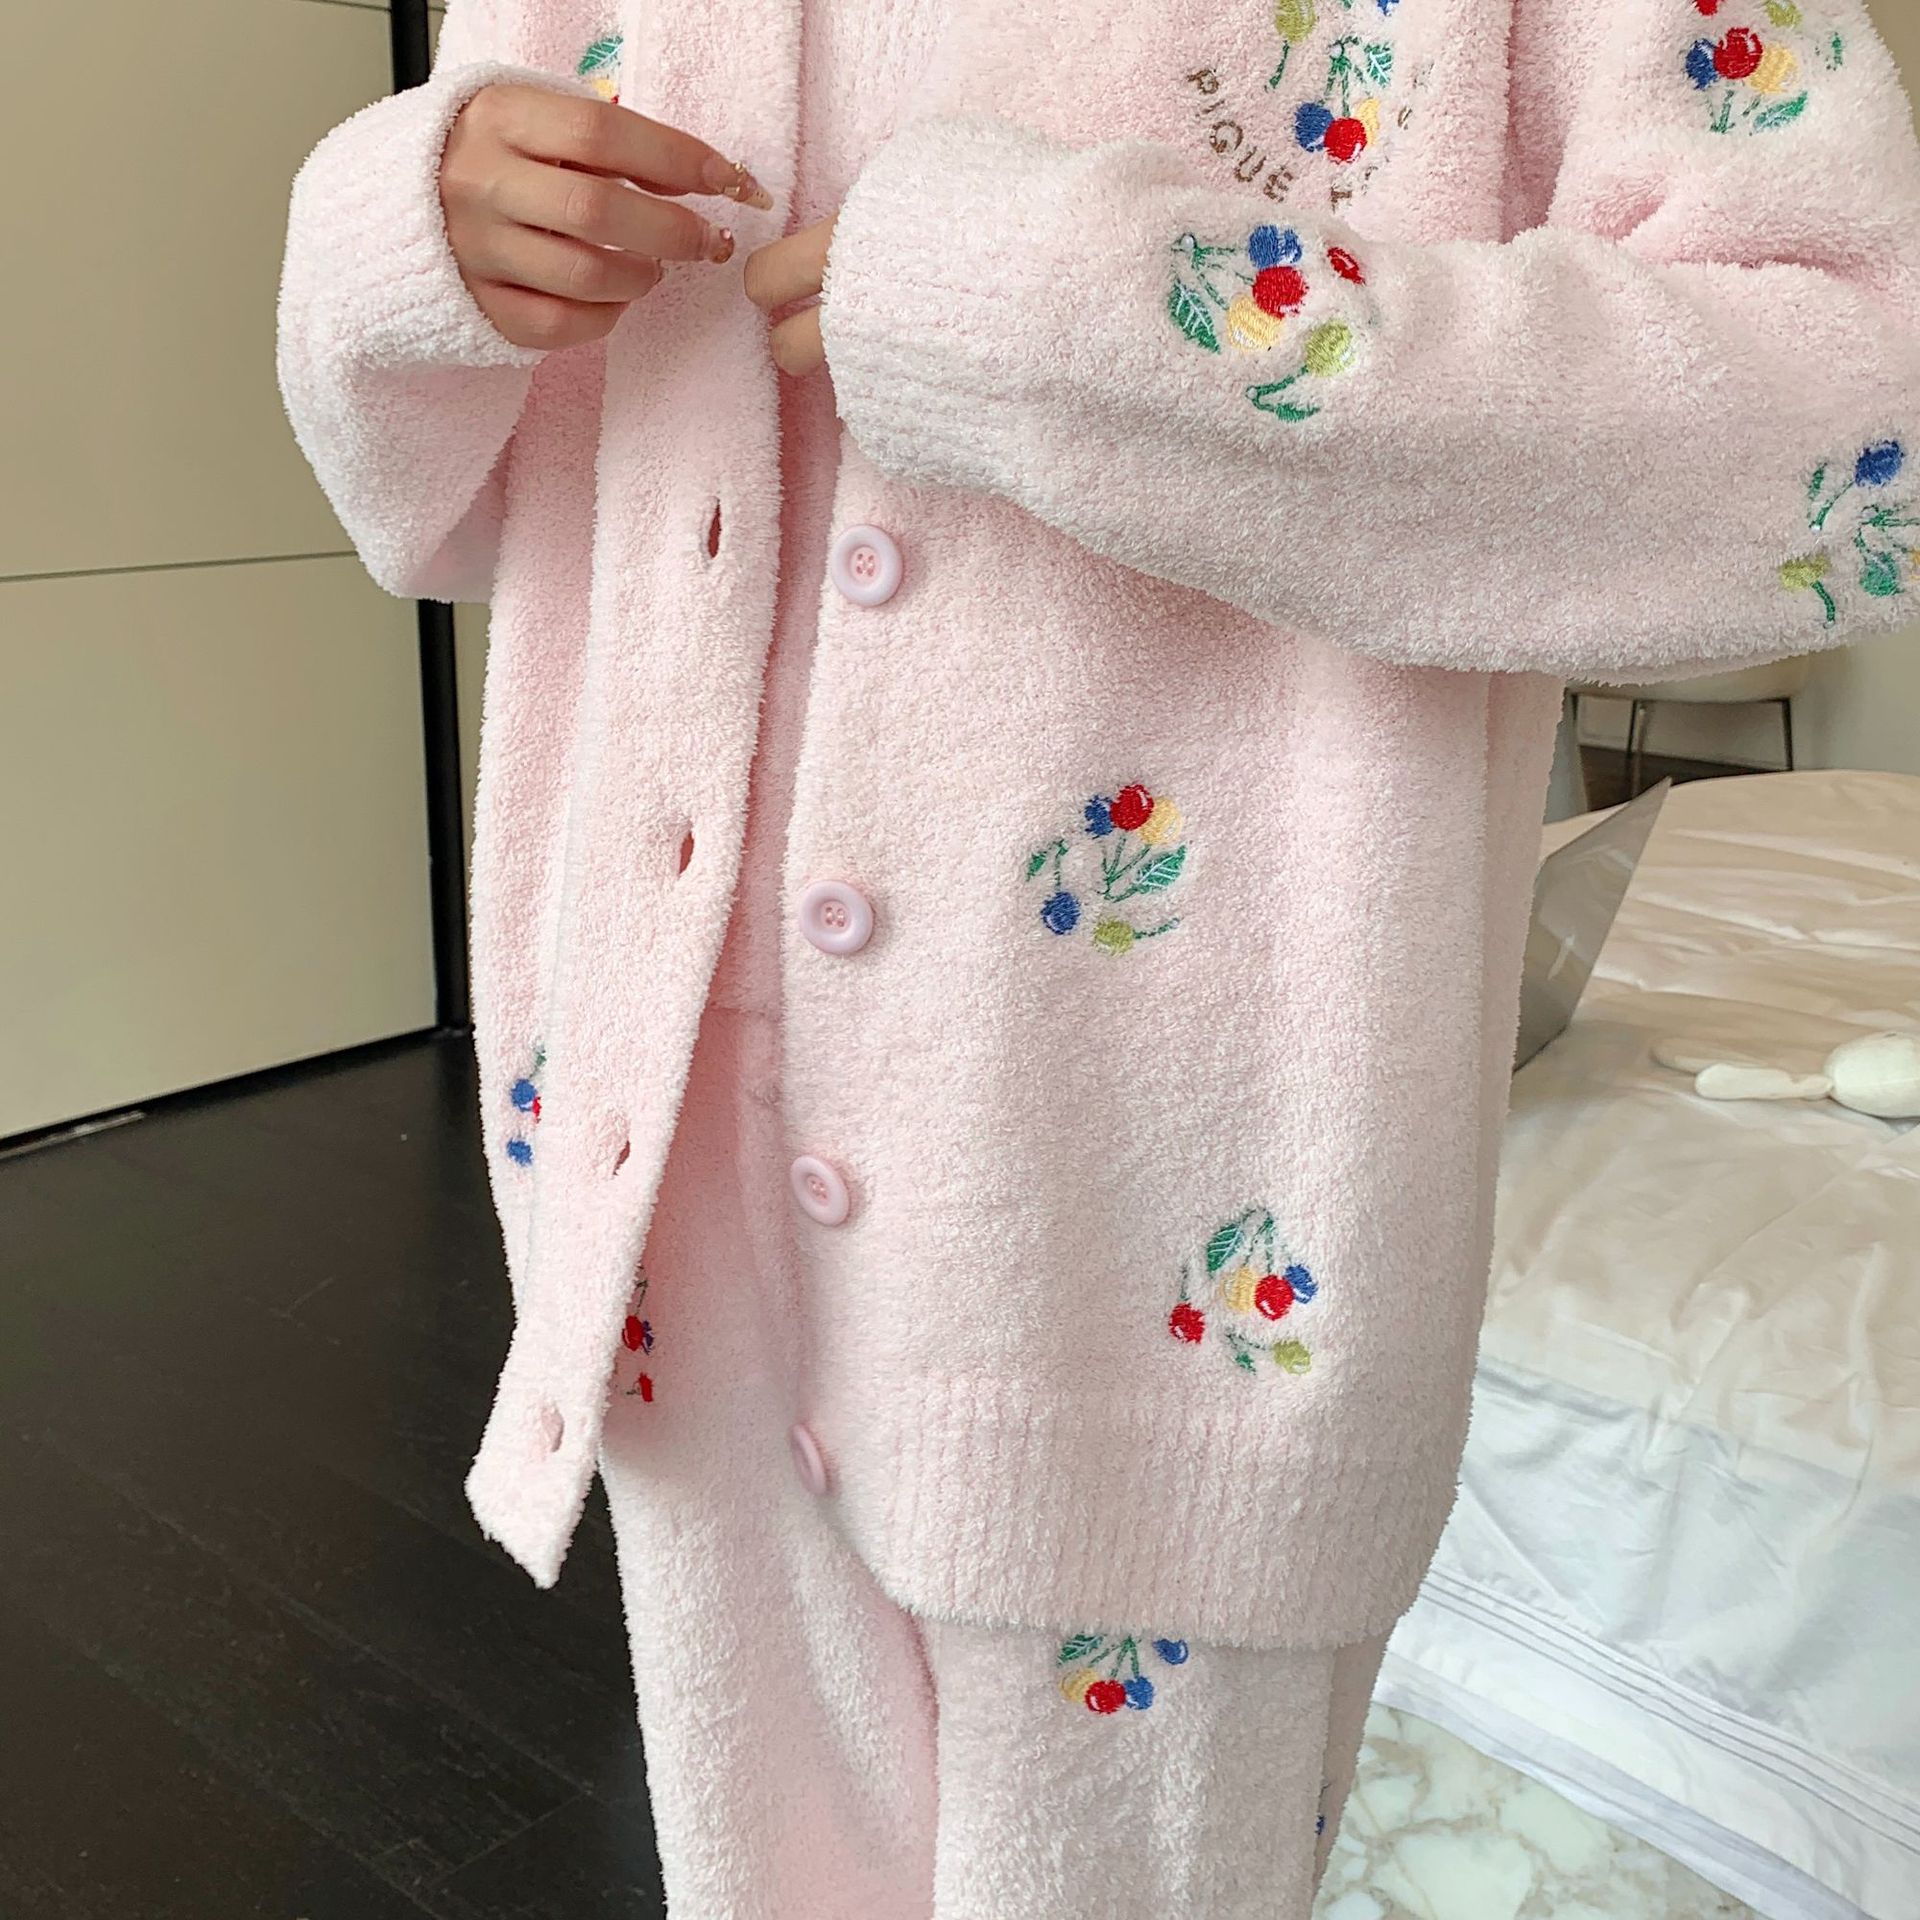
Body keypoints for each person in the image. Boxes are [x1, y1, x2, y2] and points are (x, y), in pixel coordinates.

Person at [275, 0, 1920, 1911]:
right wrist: (396, 235)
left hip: (1159, 1227)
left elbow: (1861, 436)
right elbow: (461, 509)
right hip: (668, 1156)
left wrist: (1096, 320)